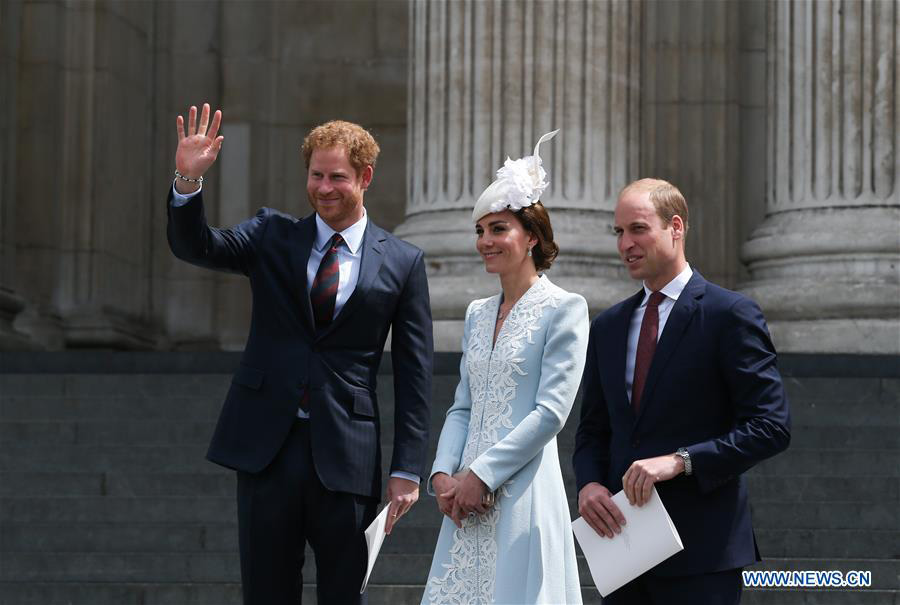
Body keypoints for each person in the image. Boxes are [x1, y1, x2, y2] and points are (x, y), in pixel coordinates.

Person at [166, 103, 433, 604]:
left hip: (347, 454)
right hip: (267, 447)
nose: (324, 188)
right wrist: (187, 181)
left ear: (365, 177)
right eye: (316, 175)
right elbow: (197, 246)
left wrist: (407, 469)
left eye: (337, 177)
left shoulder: (402, 261)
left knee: (342, 596)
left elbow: (414, 374)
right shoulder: (272, 234)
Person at [573, 178, 791, 604]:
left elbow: (771, 426)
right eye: (619, 232)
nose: (625, 244)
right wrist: (589, 485)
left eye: (638, 229)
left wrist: (680, 461)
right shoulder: (607, 326)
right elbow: (593, 430)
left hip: (703, 552)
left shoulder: (730, 314)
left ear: (675, 227)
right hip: (623, 550)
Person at [422, 131, 587, 604]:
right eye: (480, 231)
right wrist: (443, 474)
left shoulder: (565, 308)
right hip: (464, 500)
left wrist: (482, 475)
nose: (485, 241)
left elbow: (551, 413)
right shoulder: (477, 313)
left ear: (532, 236)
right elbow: (462, 406)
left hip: (524, 494)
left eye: (498, 229)